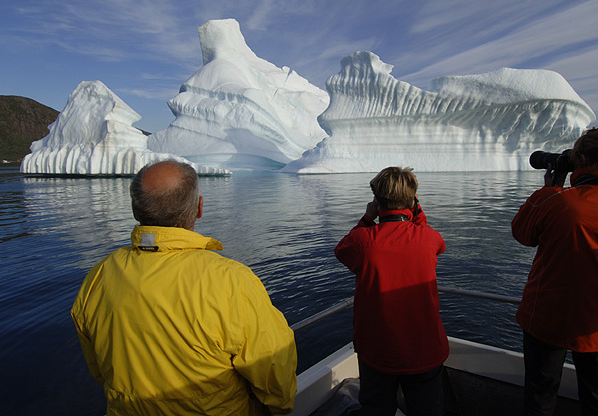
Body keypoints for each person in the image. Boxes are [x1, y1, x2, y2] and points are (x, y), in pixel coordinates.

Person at [71, 160, 297, 416]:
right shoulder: (231, 280)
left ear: (135, 209)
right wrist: (280, 405)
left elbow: (99, 368)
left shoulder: (99, 276)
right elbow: (273, 367)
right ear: (199, 208)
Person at [512, 126, 598, 416]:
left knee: (540, 399)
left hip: (547, 319)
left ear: (582, 159)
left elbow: (522, 233)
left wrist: (551, 185)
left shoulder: (555, 202)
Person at [335, 166, 449, 416]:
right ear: (412, 201)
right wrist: (417, 212)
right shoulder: (429, 238)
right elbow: (435, 243)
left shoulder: (363, 241)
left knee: (376, 410)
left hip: (378, 351)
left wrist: (367, 218)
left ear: (377, 201)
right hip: (425, 350)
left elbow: (342, 249)